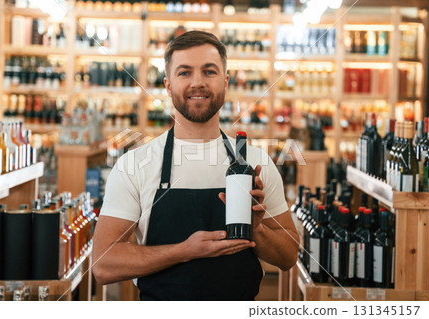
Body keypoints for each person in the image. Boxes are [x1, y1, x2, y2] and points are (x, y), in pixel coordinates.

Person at [92, 31, 299, 301]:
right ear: (167, 85)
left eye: (209, 72)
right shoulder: (134, 165)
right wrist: (184, 251)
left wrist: (256, 228)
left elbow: (288, 257)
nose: (197, 83)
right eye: (184, 73)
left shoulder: (257, 163)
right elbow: (104, 265)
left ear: (225, 82)